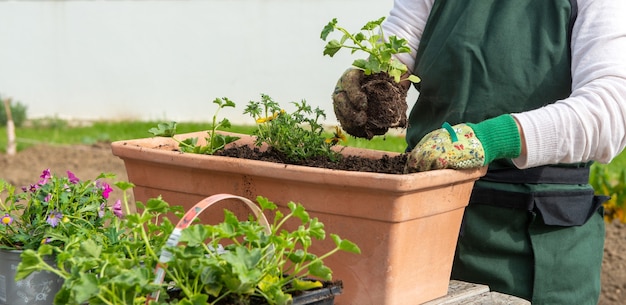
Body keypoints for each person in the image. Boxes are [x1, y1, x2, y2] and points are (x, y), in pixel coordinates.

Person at [332, 0, 626, 304]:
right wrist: (374, 85)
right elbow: (400, 43)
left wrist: (492, 139)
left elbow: (611, 110)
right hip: (427, 227)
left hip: (533, 243)